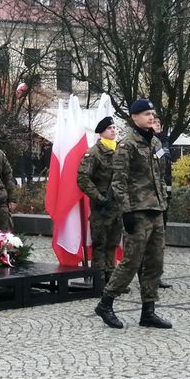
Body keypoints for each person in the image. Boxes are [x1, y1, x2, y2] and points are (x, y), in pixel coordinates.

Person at [94, 99, 171, 329]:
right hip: (136, 211)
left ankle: (148, 311)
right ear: (134, 117)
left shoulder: (155, 142)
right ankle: (105, 304)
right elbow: (119, 181)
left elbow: (159, 175)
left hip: (155, 209)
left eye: (152, 113)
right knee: (131, 262)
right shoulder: (126, 144)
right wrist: (125, 211)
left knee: (155, 263)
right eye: (146, 113)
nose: (150, 117)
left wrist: (163, 202)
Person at [77, 116, 125, 292]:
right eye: (110, 128)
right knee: (100, 244)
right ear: (101, 132)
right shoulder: (94, 152)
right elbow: (82, 178)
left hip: (117, 206)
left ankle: (111, 280)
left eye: (114, 127)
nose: (113, 130)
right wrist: (98, 197)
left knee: (113, 243)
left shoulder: (120, 150)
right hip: (101, 207)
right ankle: (99, 280)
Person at [151, 115, 173, 289]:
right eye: (153, 123)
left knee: (159, 238)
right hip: (148, 197)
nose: (157, 125)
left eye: (159, 123)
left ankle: (156, 275)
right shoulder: (148, 142)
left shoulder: (165, 141)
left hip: (163, 194)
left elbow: (167, 160)